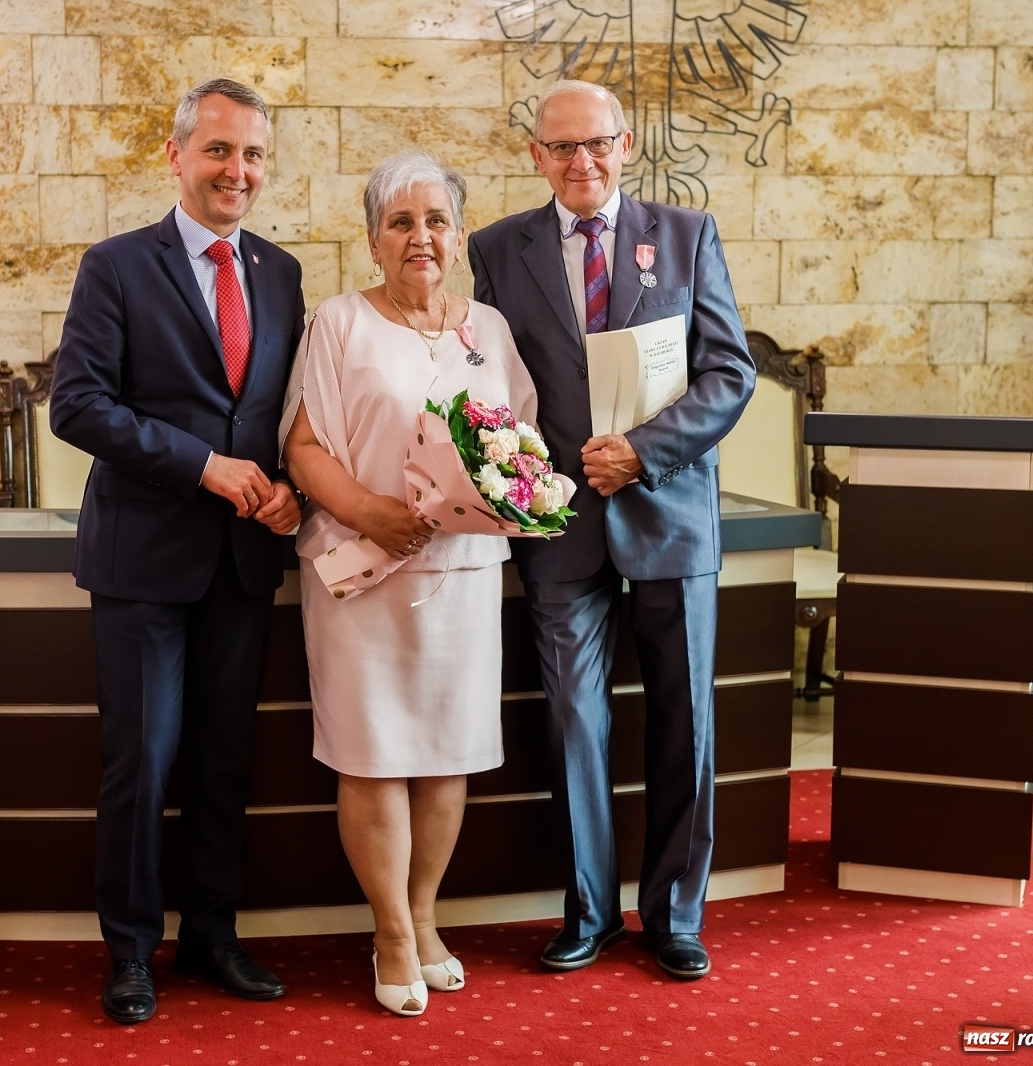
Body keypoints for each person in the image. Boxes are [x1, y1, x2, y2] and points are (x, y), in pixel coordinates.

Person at [468, 80, 755, 981]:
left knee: (685, 722)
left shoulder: (687, 236)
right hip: (558, 524)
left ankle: (675, 915)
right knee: (572, 723)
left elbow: (729, 373)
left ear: (625, 145)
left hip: (669, 512)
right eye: (562, 147)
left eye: (596, 143)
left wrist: (641, 453)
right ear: (536, 155)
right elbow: (486, 383)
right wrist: (511, 475)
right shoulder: (495, 250)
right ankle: (588, 911)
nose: (580, 161)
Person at [49, 78, 306, 1025]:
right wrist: (203, 466)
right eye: (219, 150)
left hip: (243, 560)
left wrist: (290, 485)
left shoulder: (280, 273)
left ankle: (211, 934)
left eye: (253, 155)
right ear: (176, 155)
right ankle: (129, 952)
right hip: (144, 560)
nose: (237, 170)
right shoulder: (115, 266)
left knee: (223, 762)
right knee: (144, 762)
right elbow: (77, 405)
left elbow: (281, 411)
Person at [280, 151, 541, 1017]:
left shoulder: (490, 329)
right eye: (400, 222)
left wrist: (507, 495)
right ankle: (390, 933)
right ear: (372, 241)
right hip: (362, 571)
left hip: (461, 574)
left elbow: (522, 445)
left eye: (436, 221)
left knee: (446, 755)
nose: (419, 237)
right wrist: (372, 512)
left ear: (459, 238)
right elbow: (303, 448)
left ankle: (424, 917)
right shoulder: (339, 323)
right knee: (373, 756)